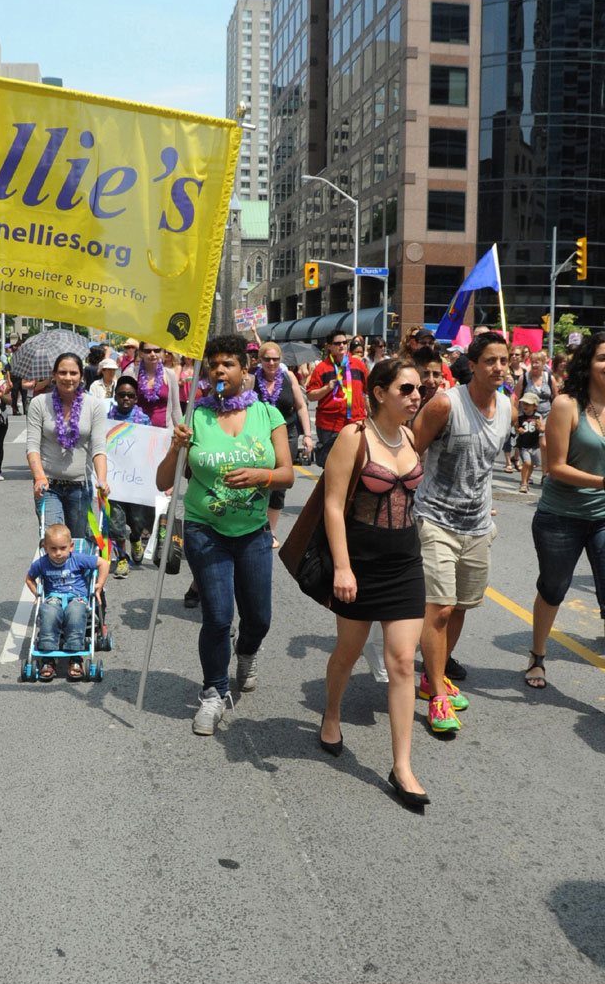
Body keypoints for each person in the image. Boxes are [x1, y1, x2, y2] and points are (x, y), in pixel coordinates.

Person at [157, 334, 294, 735]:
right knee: (217, 617)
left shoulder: (268, 415)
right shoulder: (194, 418)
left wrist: (260, 475)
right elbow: (164, 480)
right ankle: (213, 692)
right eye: (213, 364)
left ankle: (246, 652)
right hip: (205, 529)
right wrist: (175, 447)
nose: (219, 370)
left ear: (244, 369)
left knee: (259, 617)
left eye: (228, 364)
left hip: (253, 531)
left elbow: (287, 473)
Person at [320, 358, 429, 806]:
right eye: (406, 389)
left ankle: (402, 766)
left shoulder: (410, 435)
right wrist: (342, 567)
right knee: (347, 652)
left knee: (402, 663)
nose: (416, 396)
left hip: (405, 561)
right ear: (380, 392)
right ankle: (331, 714)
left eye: (419, 389)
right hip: (361, 562)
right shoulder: (355, 436)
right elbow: (332, 505)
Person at [412, 332, 516, 730]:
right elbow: (411, 451)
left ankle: (432, 677)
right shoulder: (445, 404)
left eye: (503, 360)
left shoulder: (505, 406)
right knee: (438, 609)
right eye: (490, 360)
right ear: (471, 365)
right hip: (435, 519)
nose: (498, 367)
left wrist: (484, 504)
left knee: (459, 608)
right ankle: (438, 697)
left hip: (477, 525)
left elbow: (484, 465)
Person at [524, 333, 605, 688]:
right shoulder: (566, 404)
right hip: (561, 516)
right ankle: (537, 655)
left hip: (603, 517)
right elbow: (555, 467)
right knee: (554, 587)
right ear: (588, 363)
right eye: (603, 358)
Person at [26, 352, 109, 535]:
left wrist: (102, 480)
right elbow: (32, 446)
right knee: (53, 538)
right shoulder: (39, 403)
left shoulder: (94, 405)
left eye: (73, 373)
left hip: (80, 486)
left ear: (81, 375)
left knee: (77, 542)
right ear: (54, 375)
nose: (68, 378)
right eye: (62, 372)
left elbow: (99, 448)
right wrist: (39, 477)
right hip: (48, 485)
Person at [26, 522, 109, 680]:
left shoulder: (77, 559)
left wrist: (99, 585)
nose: (58, 553)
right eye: (53, 549)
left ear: (71, 547)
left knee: (75, 612)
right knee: (48, 612)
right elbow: (29, 578)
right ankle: (48, 656)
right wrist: (38, 594)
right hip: (53, 598)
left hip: (77, 597)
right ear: (45, 548)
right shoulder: (42, 563)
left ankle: (75, 656)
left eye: (62, 548)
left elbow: (103, 563)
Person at [254, 340, 313, 545]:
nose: (271, 363)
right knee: (259, 480)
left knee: (279, 484)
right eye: (267, 359)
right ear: (260, 360)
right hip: (259, 436)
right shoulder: (252, 380)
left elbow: (301, 407)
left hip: (287, 433)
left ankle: (270, 531)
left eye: (275, 359)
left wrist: (307, 435)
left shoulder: (289, 377)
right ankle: (255, 526)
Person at [105, 375, 151, 576]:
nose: (126, 398)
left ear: (136, 398)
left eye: (130, 395)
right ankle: (123, 558)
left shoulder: (144, 420)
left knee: (138, 521)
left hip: (136, 479)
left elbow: (151, 447)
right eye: (122, 395)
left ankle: (136, 539)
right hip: (115, 479)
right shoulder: (106, 419)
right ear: (115, 396)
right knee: (116, 523)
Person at [306, 332, 368, 468]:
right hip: (329, 425)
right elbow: (310, 395)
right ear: (329, 346)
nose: (342, 345)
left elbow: (368, 391)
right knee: (330, 465)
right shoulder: (322, 368)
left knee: (356, 464)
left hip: (355, 422)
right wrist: (327, 388)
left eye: (344, 343)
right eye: (337, 343)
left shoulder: (358, 365)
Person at [516, 349, 556, 467]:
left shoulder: (549, 378)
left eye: (537, 362)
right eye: (532, 362)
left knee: (544, 444)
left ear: (543, 363)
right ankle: (523, 462)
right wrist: (515, 417)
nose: (534, 365)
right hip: (528, 416)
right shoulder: (524, 378)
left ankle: (544, 473)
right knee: (528, 442)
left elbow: (556, 397)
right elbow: (516, 397)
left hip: (545, 414)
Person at [133, 342, 182, 428]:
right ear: (141, 353)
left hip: (165, 430)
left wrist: (180, 429)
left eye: (156, 350)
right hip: (138, 429)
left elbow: (176, 408)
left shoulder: (170, 374)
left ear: (162, 352)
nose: (153, 354)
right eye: (148, 351)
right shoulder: (132, 373)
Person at [515, 393, 543, 493]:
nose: (525, 406)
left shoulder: (538, 416)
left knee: (533, 465)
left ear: (535, 406)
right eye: (524, 404)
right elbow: (516, 427)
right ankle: (523, 483)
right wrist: (519, 430)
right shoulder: (520, 417)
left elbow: (541, 428)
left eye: (528, 404)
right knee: (527, 463)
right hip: (523, 445)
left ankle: (526, 481)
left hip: (534, 445)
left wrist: (540, 428)